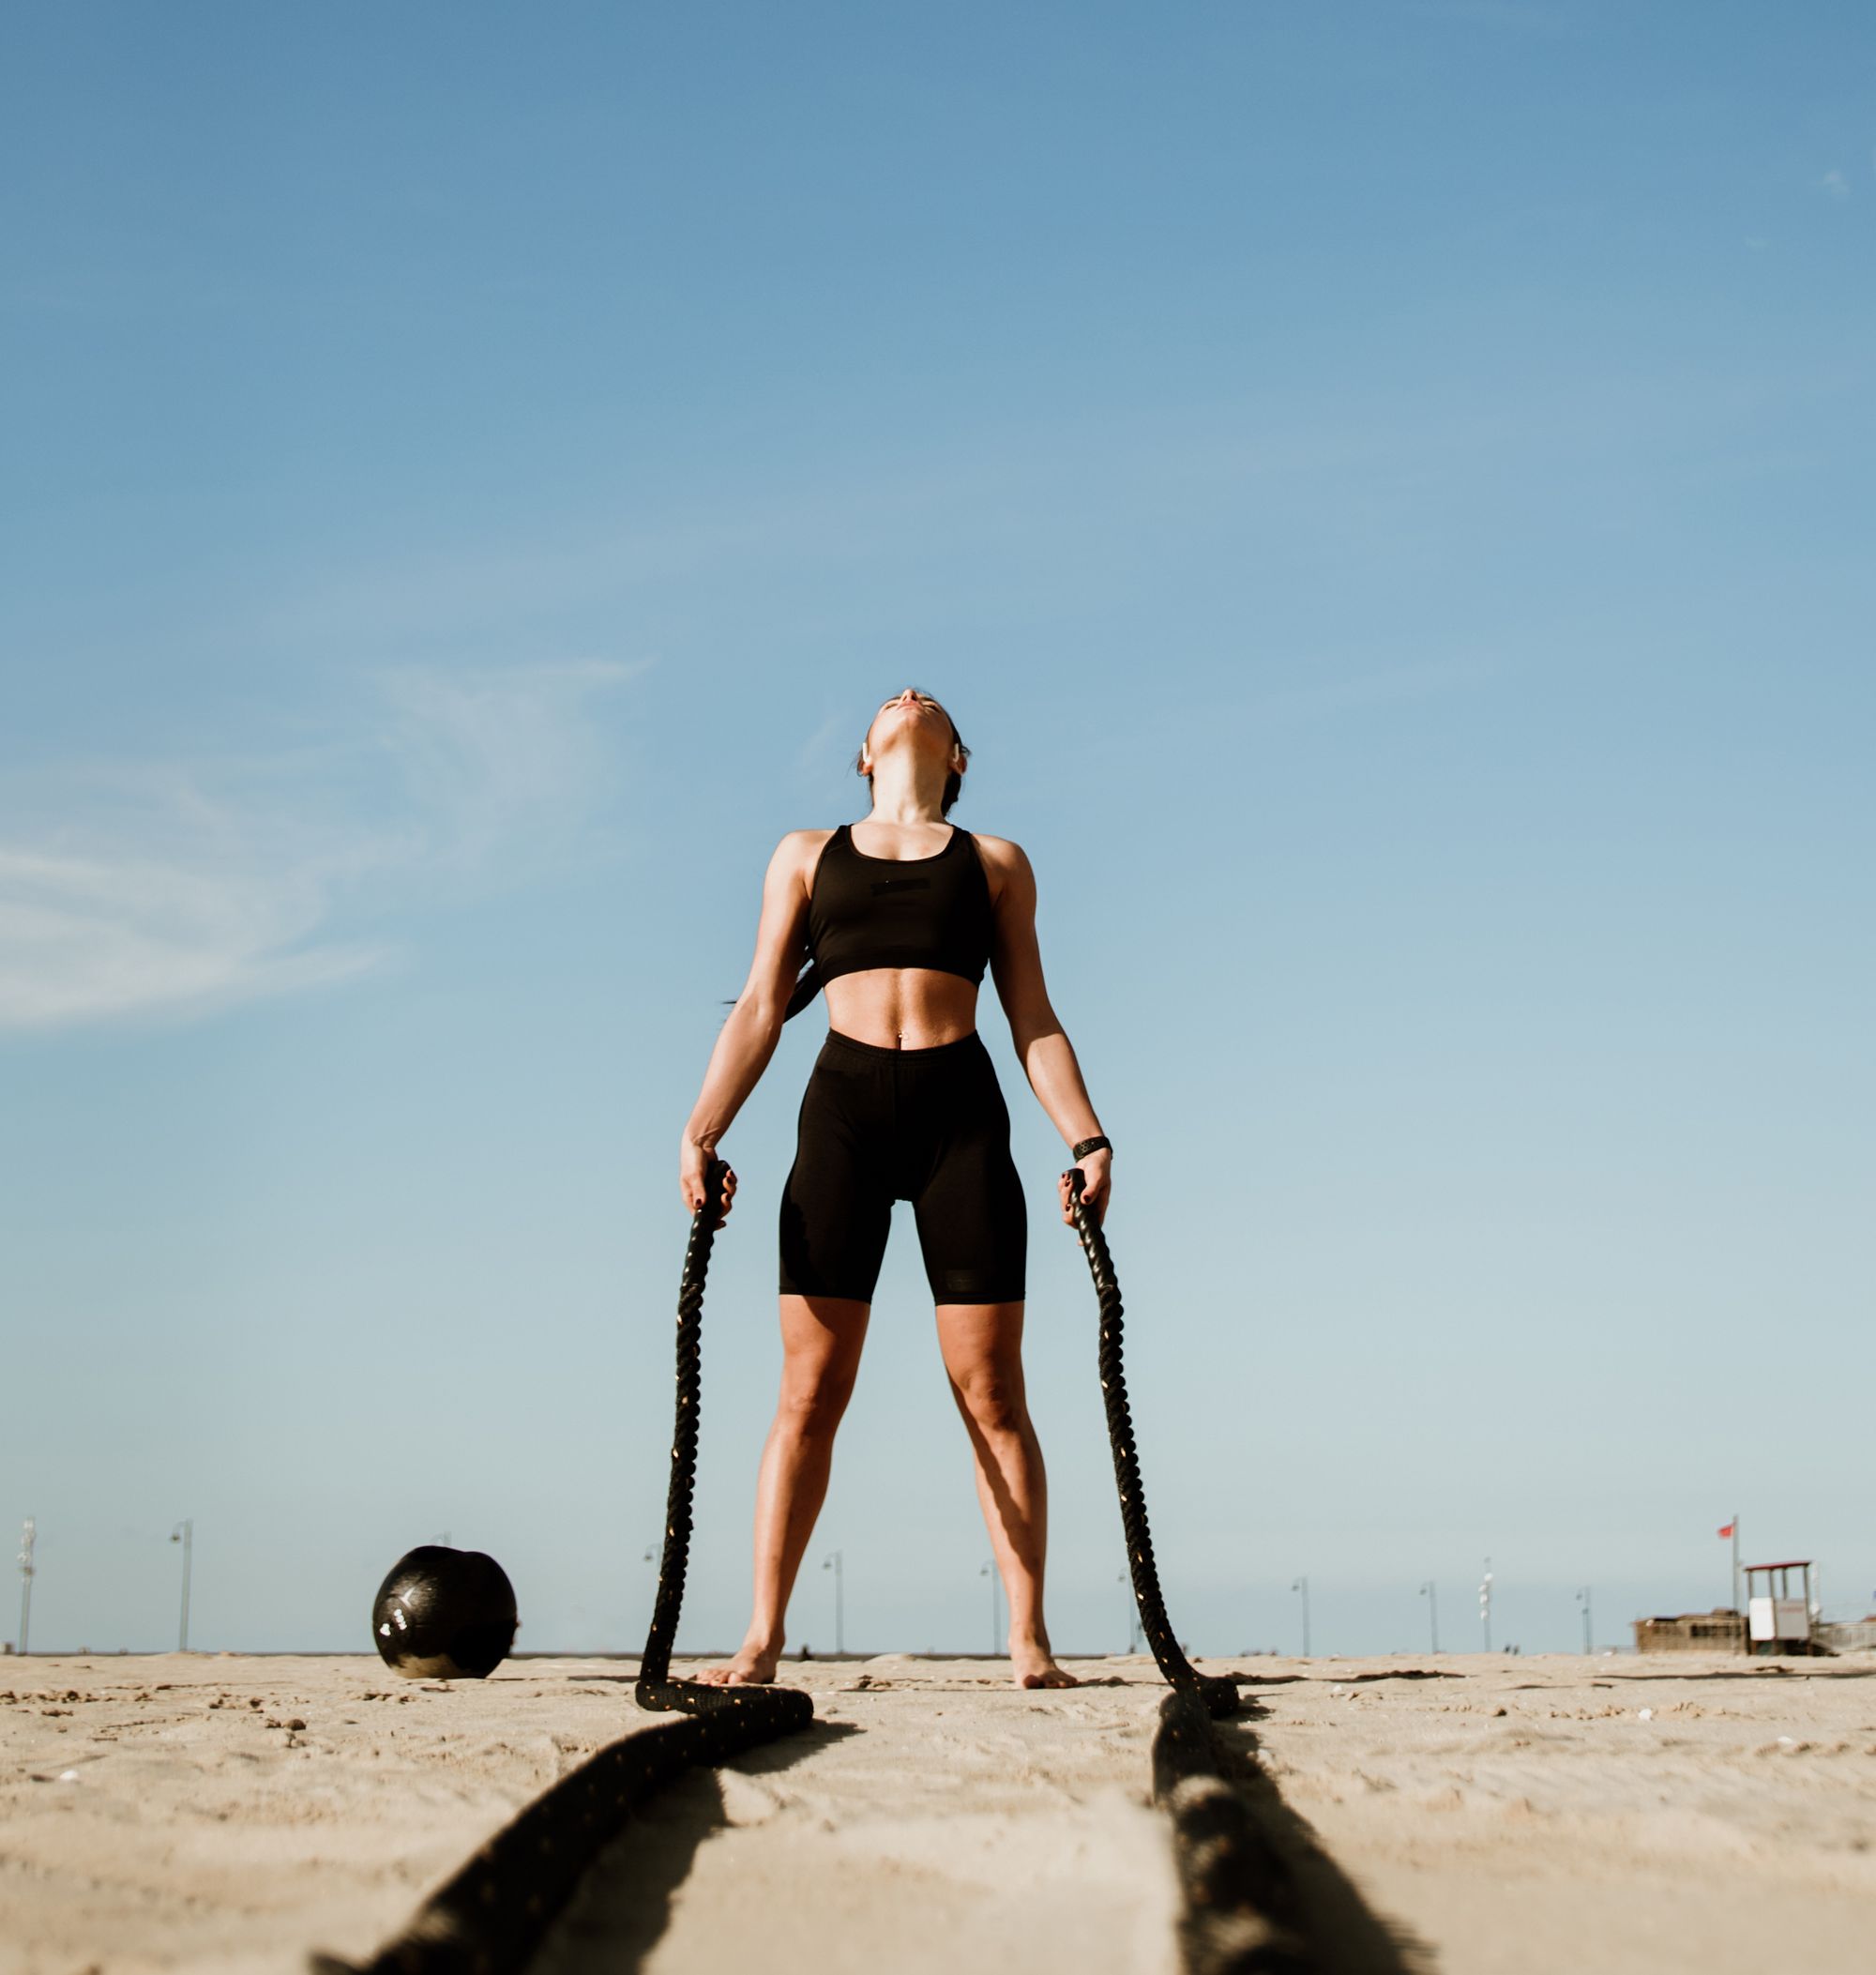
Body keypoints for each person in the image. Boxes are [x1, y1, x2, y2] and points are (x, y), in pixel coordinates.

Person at [678, 688, 1112, 1690]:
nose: (910, 695)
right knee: (808, 1391)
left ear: (954, 755)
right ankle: (759, 1637)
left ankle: (1028, 1639)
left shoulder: (995, 861)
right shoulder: (802, 853)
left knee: (993, 1390)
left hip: (960, 1117)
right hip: (841, 1117)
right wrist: (701, 1131)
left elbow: (1034, 1017)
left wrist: (1087, 1137)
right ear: (863, 757)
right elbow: (756, 1006)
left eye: (930, 703)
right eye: (891, 701)